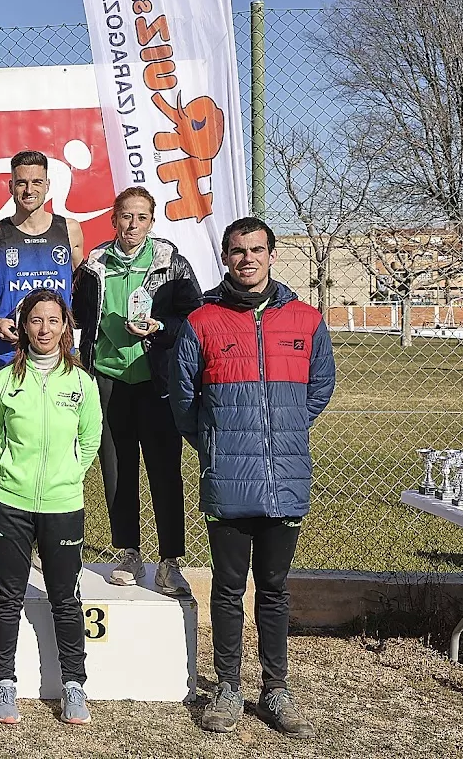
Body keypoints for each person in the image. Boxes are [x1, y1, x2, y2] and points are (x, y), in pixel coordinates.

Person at [169, 217, 336, 739]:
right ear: (225, 256)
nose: (247, 259)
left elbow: (320, 386)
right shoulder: (202, 321)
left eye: (257, 250)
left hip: (284, 476)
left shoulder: (306, 320)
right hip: (228, 479)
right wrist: (219, 442)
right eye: (237, 251)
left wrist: (280, 431)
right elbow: (183, 401)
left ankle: (276, 689)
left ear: (272, 254)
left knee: (274, 587)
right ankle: (226, 688)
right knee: (226, 587)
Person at [0, 288, 101, 726]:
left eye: (53, 320)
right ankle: (3, 682)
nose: (44, 329)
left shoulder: (81, 382)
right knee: (8, 594)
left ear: (66, 326)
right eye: (35, 320)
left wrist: (67, 474)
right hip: (10, 501)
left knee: (65, 598)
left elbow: (89, 440)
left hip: (63, 503)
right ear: (23, 326)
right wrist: (12, 470)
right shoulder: (4, 378)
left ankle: (74, 685)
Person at [72, 187, 202, 592]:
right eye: (126, 216)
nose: (133, 225)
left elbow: (193, 316)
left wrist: (159, 327)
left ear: (151, 221)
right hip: (109, 380)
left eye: (141, 217)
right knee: (117, 469)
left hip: (156, 379)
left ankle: (169, 560)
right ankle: (128, 552)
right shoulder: (94, 265)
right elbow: (77, 314)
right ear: (114, 219)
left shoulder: (171, 263)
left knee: (165, 471)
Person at [0, 150, 84, 370]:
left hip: (59, 351)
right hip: (10, 351)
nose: (29, 190)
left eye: (37, 182)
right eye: (21, 183)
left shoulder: (70, 230)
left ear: (47, 185)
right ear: (10, 187)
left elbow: (82, 286)